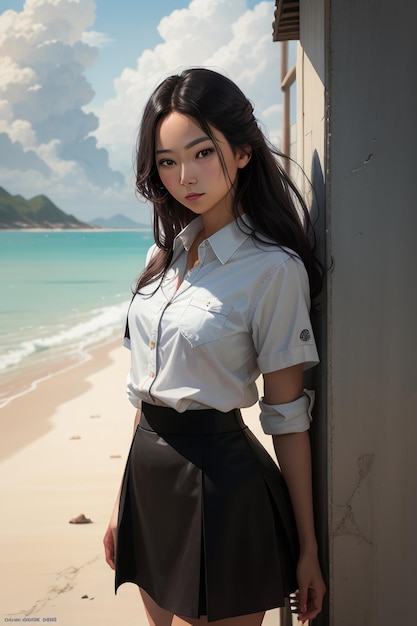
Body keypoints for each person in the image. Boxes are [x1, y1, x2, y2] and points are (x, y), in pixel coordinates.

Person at [103, 67, 326, 626]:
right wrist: (119, 503)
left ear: (243, 152)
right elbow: (144, 397)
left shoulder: (272, 270)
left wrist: (309, 547)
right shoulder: (160, 261)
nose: (185, 175)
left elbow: (287, 416)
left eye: (202, 152)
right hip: (148, 484)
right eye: (167, 161)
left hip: (223, 491)